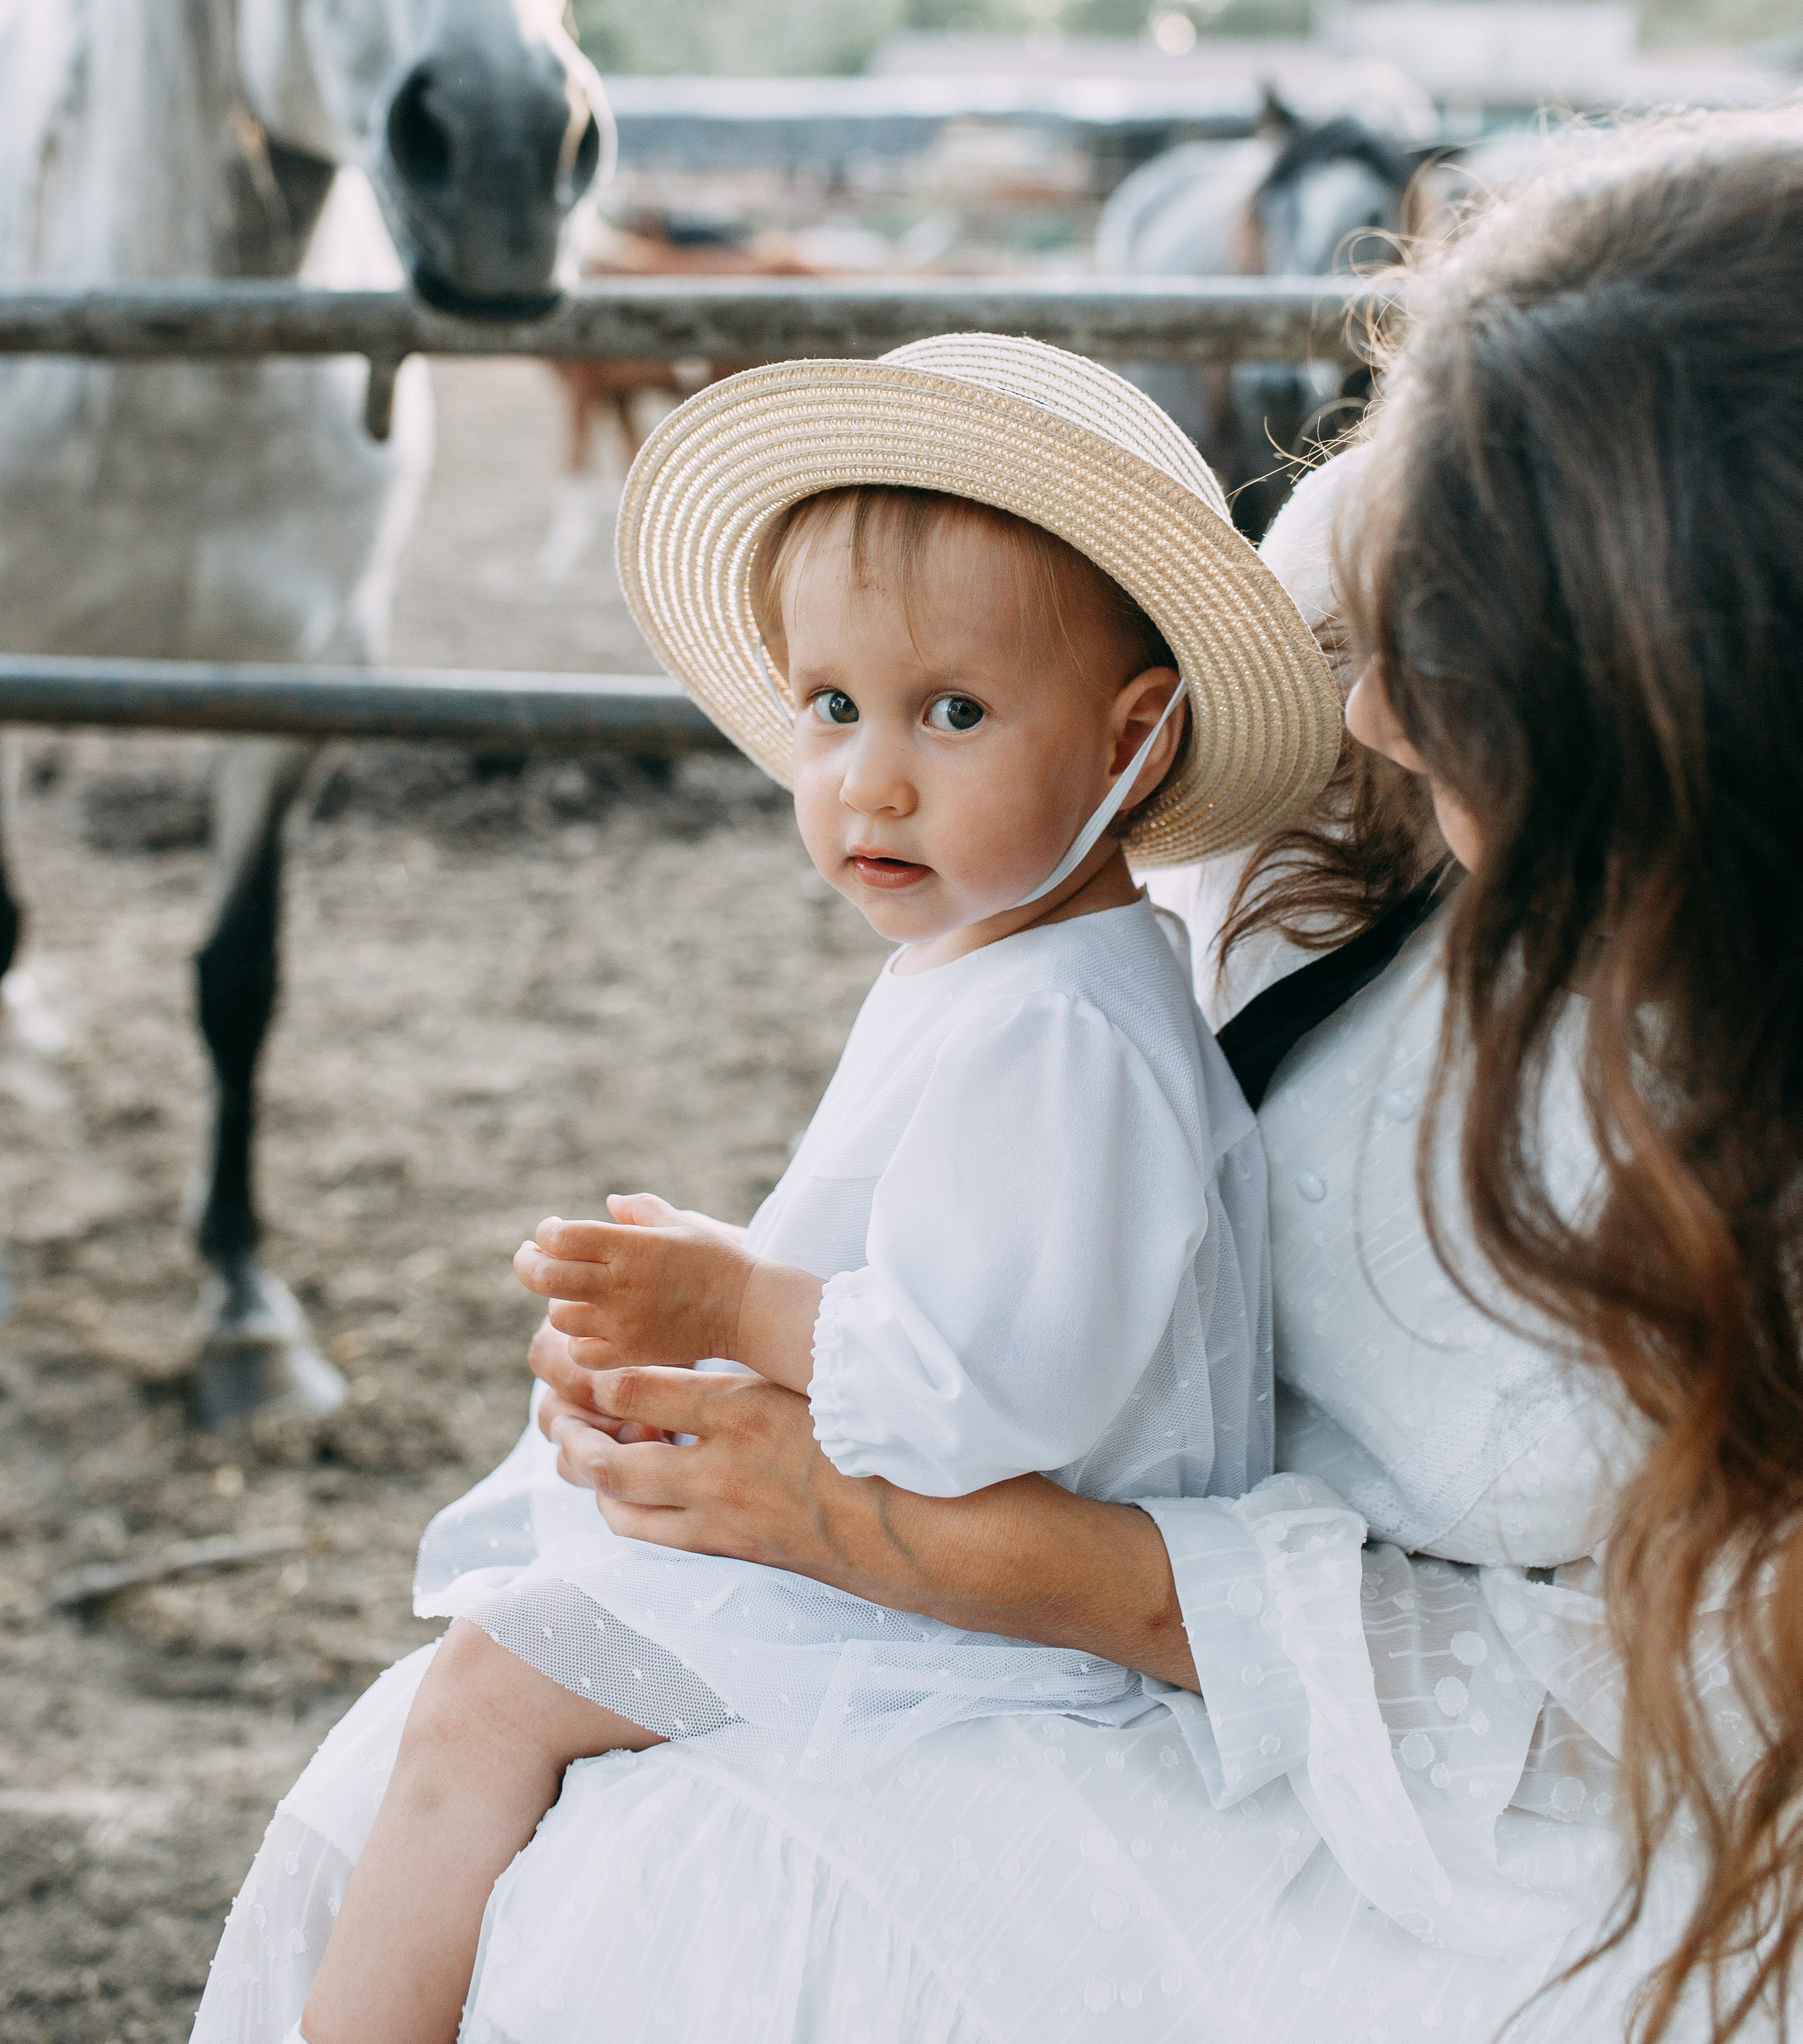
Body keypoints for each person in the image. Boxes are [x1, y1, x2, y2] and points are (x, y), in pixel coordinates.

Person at [194, 112, 1803, 2044]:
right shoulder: (1373, 575)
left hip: (1413, 1753)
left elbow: (1676, 1699)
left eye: (1457, 663)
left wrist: (937, 1526)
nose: (1366, 704)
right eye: (1386, 620)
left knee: (693, 1876)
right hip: (1098, 1526)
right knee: (496, 1757)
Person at [294, 335, 1345, 2044]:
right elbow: (912, 1286)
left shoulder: (1069, 1029)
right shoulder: (992, 958)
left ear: (1129, 742)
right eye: (832, 706)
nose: (870, 776)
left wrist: (730, 1307)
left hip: (1000, 1621)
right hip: (922, 1552)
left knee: (490, 1695)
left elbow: (984, 1398)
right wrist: (700, 1322)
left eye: (953, 712)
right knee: (500, 1663)